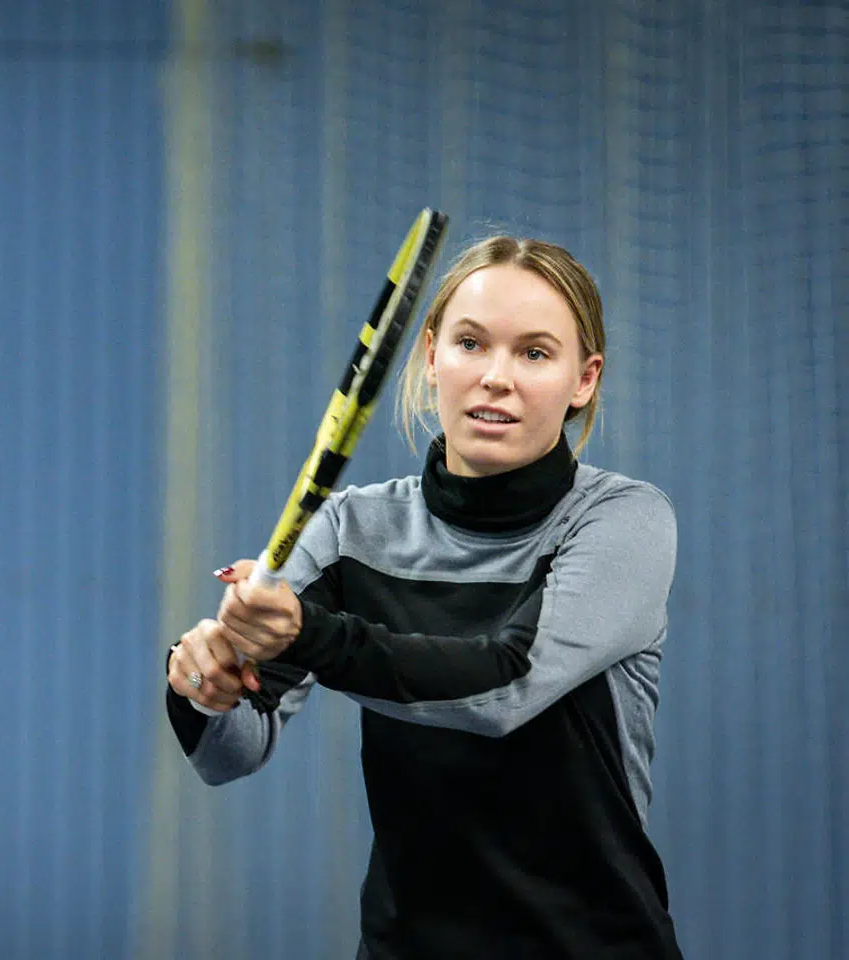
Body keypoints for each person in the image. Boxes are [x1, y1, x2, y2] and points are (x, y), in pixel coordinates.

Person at [164, 236, 684, 959]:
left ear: (584, 380)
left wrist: (307, 635)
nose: (496, 377)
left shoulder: (623, 521)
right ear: (432, 356)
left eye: (535, 353)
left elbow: (502, 687)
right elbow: (232, 753)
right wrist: (203, 680)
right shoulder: (351, 528)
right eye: (472, 343)